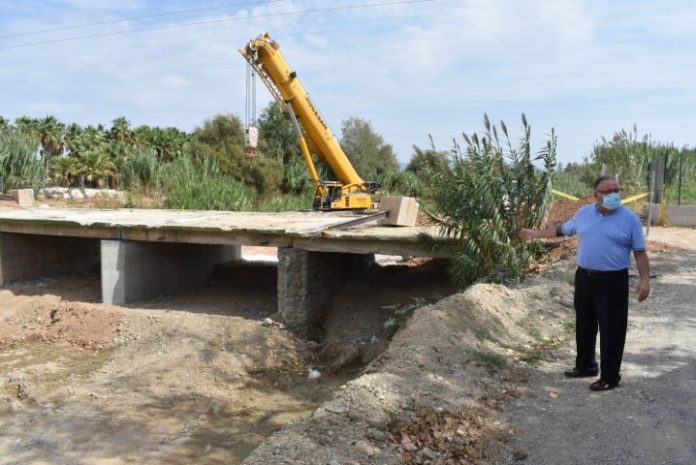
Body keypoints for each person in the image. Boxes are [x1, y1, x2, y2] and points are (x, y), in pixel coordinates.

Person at [519, 175, 650, 391]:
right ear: (596, 195)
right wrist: (535, 234)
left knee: (612, 329)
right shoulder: (584, 214)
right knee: (584, 324)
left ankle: (610, 377)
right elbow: (561, 229)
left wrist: (645, 279)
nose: (613, 194)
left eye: (616, 190)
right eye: (607, 191)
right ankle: (585, 366)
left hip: (613, 280)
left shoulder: (630, 219)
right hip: (585, 277)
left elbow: (639, 252)